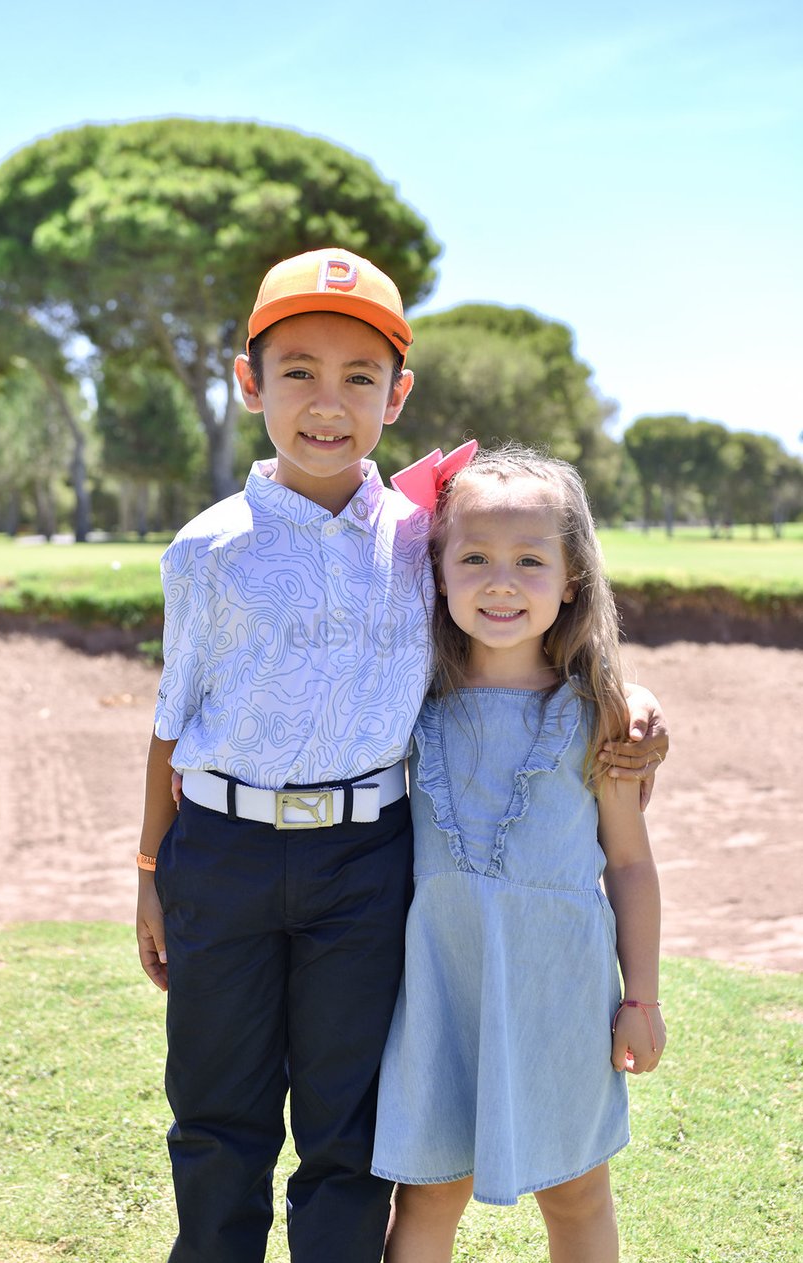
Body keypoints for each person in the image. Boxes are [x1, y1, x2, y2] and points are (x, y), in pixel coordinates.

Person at [135, 248, 668, 1263]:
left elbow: (525, 606)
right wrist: (150, 866)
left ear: (397, 394)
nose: (327, 402)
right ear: (248, 381)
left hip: (360, 863)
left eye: (358, 378)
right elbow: (170, 712)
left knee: (348, 1133)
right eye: (296, 370)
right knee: (216, 1118)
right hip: (223, 851)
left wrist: (626, 692)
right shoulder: (205, 548)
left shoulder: (421, 534)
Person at [371, 445, 667, 1263]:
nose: (501, 582)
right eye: (474, 558)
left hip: (561, 991)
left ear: (571, 576)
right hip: (440, 988)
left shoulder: (599, 713)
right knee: (427, 1191)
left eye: (530, 560)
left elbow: (631, 865)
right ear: (436, 568)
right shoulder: (410, 698)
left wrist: (640, 996)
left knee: (576, 1193)